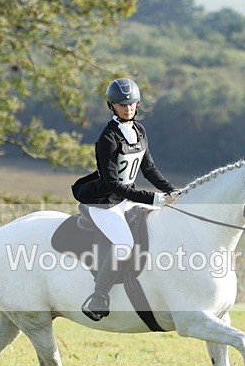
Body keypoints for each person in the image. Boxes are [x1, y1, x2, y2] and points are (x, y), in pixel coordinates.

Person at [72, 78, 180, 321]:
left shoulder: (139, 131)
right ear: (112, 106)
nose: (128, 108)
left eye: (131, 104)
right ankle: (98, 297)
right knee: (124, 244)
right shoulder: (108, 138)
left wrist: (172, 191)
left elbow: (149, 169)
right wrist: (152, 198)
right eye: (122, 105)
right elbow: (113, 185)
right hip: (105, 202)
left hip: (126, 199)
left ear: (138, 104)